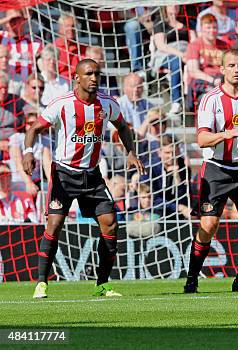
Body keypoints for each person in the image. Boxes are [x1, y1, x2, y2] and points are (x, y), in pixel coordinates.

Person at [24, 59, 145, 299]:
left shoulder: (108, 103)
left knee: (110, 223)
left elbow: (122, 126)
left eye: (97, 74)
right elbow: (33, 129)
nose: (94, 78)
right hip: (64, 174)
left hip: (92, 175)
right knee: (55, 224)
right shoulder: (62, 104)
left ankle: (102, 284)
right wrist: (29, 152)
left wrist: (130, 151)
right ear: (77, 78)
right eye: (88, 74)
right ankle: (41, 283)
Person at [184, 49, 238, 293]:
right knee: (208, 225)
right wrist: (226, 134)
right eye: (231, 65)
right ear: (222, 69)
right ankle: (192, 278)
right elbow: (201, 139)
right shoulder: (211, 99)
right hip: (217, 169)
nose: (236, 70)